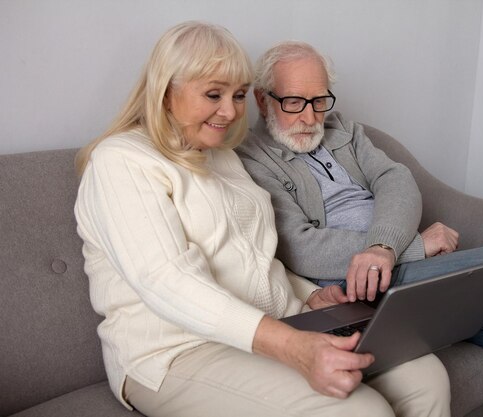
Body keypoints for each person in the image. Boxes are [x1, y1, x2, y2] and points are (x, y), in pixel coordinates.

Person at [74, 22, 451, 417]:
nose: (230, 111)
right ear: (167, 91)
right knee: (360, 410)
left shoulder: (222, 156)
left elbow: (254, 258)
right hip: (176, 352)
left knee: (425, 378)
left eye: (237, 95)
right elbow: (168, 282)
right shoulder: (121, 161)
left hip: (276, 323)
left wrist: (309, 295)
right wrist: (291, 346)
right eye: (213, 94)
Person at [235, 40, 483, 417]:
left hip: (404, 269)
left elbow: (397, 181)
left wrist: (384, 247)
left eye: (319, 100)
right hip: (367, 289)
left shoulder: (342, 131)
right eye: (294, 102)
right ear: (262, 99)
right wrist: (414, 247)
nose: (309, 116)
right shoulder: (253, 161)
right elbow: (301, 248)